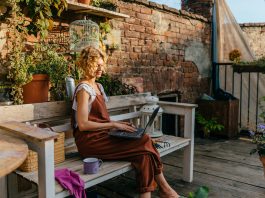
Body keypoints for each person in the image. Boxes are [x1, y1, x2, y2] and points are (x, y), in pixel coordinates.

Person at [72, 46, 179, 198]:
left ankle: (148, 195)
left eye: (102, 65)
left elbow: (99, 118)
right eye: (97, 65)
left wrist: (121, 127)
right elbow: (83, 125)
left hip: (103, 136)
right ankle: (166, 190)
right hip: (90, 142)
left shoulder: (98, 87)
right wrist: (115, 124)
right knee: (145, 140)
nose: (101, 69)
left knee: (144, 155)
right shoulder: (84, 89)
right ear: (87, 64)